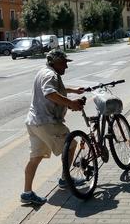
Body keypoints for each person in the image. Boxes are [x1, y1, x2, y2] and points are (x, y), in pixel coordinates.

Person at [21, 49, 86, 205]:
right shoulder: (51, 75)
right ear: (55, 63)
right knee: (72, 145)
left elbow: (55, 89)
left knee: (35, 157)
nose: (66, 66)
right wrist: (71, 103)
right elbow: (50, 93)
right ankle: (65, 179)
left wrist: (72, 90)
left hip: (34, 122)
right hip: (47, 122)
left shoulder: (44, 71)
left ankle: (27, 193)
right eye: (64, 63)